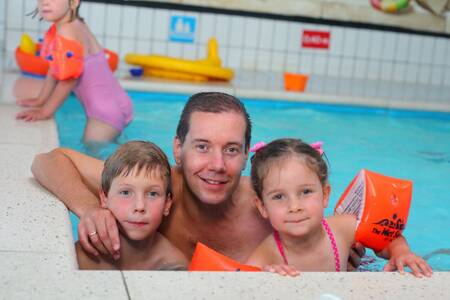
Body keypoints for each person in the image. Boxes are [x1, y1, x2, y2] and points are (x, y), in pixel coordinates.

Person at [31, 92, 365, 266]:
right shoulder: (154, 188)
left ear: (248, 156)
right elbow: (49, 161)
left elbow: (338, 234)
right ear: (178, 148)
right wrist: (91, 209)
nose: (217, 165)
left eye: (231, 149)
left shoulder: (270, 207)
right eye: (202, 147)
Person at [245, 138, 433, 278]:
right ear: (262, 207)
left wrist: (401, 253)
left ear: (325, 195)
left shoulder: (342, 229)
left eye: (306, 192)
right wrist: (267, 274)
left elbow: (386, 236)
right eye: (278, 196)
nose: (294, 207)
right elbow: (241, 281)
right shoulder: (267, 252)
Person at [16, 0, 133, 143]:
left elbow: (69, 80)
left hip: (103, 114)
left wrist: (45, 111)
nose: (45, 2)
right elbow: (55, 67)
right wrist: (41, 100)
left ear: (73, 3)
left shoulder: (66, 31)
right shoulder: (77, 24)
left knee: (91, 157)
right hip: (117, 102)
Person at [76, 141, 187, 270]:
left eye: (152, 194)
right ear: (104, 198)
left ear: (167, 204)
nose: (139, 206)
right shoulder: (81, 257)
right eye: (126, 192)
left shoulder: (175, 265)